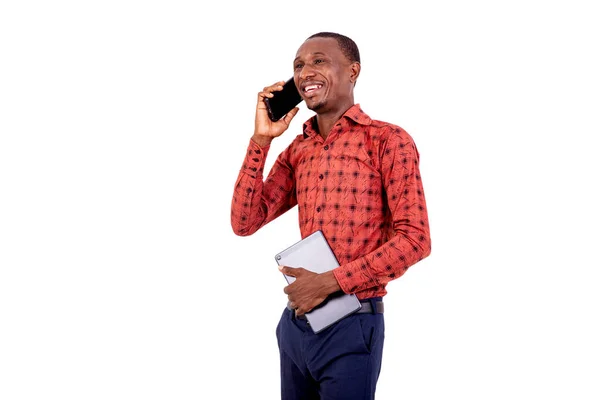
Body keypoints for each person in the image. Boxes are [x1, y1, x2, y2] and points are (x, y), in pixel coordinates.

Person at [230, 32, 431, 400]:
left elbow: (415, 240)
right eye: (298, 65)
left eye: (319, 61)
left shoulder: (388, 140)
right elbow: (245, 221)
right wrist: (261, 140)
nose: (306, 71)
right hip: (296, 325)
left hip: (352, 325)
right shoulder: (299, 149)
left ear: (353, 71)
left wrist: (329, 282)